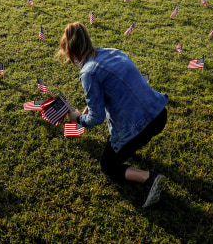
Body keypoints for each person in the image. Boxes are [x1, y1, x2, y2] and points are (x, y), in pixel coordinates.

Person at [58, 22, 169, 208]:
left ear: (73, 55)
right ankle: (129, 151)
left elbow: (97, 118)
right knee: (123, 145)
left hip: (141, 125)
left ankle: (150, 179)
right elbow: (115, 89)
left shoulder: (88, 72)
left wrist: (78, 118)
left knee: (107, 165)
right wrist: (89, 106)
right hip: (158, 113)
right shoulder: (113, 51)